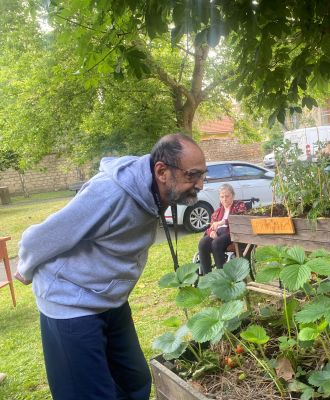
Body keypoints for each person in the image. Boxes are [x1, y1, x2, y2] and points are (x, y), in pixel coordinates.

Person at [14, 133, 207, 400]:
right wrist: (25, 269)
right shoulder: (110, 193)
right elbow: (40, 238)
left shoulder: (153, 190)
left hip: (110, 301)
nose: (200, 184)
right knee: (89, 394)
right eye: (193, 175)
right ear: (161, 171)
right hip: (70, 305)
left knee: (134, 382)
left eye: (202, 175)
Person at [198, 184, 246, 275]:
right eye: (222, 197)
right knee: (202, 243)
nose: (224, 199)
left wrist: (222, 222)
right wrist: (211, 232)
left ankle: (222, 275)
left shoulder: (239, 205)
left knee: (216, 243)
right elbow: (211, 226)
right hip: (219, 234)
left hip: (232, 232)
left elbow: (240, 219)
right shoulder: (218, 211)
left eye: (227, 196)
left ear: (233, 195)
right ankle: (207, 275)